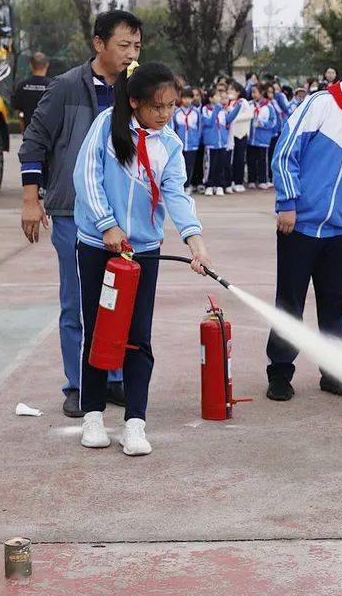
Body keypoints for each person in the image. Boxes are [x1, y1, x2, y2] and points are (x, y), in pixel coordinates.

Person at [73, 62, 214, 453]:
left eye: (171, 106)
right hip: (99, 248)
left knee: (139, 337)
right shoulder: (106, 125)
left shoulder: (169, 143)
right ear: (134, 102)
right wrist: (107, 225)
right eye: (157, 107)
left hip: (143, 252)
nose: (166, 114)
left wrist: (194, 240)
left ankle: (135, 422)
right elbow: (86, 178)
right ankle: (93, 417)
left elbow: (176, 193)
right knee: (100, 332)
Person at [18, 10, 142, 418]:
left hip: (122, 215)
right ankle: (78, 382)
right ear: (99, 44)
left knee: (120, 298)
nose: (130, 54)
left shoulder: (134, 91)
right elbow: (33, 142)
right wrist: (31, 200)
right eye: (123, 45)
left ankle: (114, 377)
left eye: (136, 46)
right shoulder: (66, 88)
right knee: (77, 302)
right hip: (73, 212)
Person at [266, 42, 342, 401]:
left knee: (335, 303)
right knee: (290, 301)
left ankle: (332, 371)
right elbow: (286, 152)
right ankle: (280, 372)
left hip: (337, 231)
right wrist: (287, 202)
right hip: (298, 226)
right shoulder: (319, 105)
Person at [11, 52, 51, 132]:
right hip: (48, 133)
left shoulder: (22, 86)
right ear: (47, 65)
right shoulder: (52, 86)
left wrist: (22, 125)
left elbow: (18, 109)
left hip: (29, 132)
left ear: (31, 65)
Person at [247, 83, 277, 189]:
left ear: (261, 93)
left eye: (255, 92)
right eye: (252, 92)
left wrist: (263, 124)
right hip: (250, 138)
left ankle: (263, 180)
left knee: (262, 160)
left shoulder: (268, 106)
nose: (253, 94)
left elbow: (273, 122)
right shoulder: (249, 104)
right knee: (251, 159)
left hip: (263, 138)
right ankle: (251, 179)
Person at [201, 87, 230, 196]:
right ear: (211, 98)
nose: (219, 98)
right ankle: (209, 185)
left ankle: (219, 185)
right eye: (217, 96)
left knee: (220, 164)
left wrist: (237, 109)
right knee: (210, 165)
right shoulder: (205, 109)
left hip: (221, 142)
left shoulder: (222, 110)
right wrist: (216, 110)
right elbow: (209, 123)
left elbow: (227, 122)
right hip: (211, 143)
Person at [173, 87, 201, 195]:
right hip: (180, 144)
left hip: (192, 144)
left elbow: (199, 127)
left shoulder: (196, 112)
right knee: (179, 165)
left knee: (190, 165)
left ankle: (188, 185)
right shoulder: (177, 112)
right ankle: (180, 185)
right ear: (181, 99)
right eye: (184, 98)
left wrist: (197, 139)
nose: (187, 101)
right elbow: (174, 128)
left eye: (189, 98)